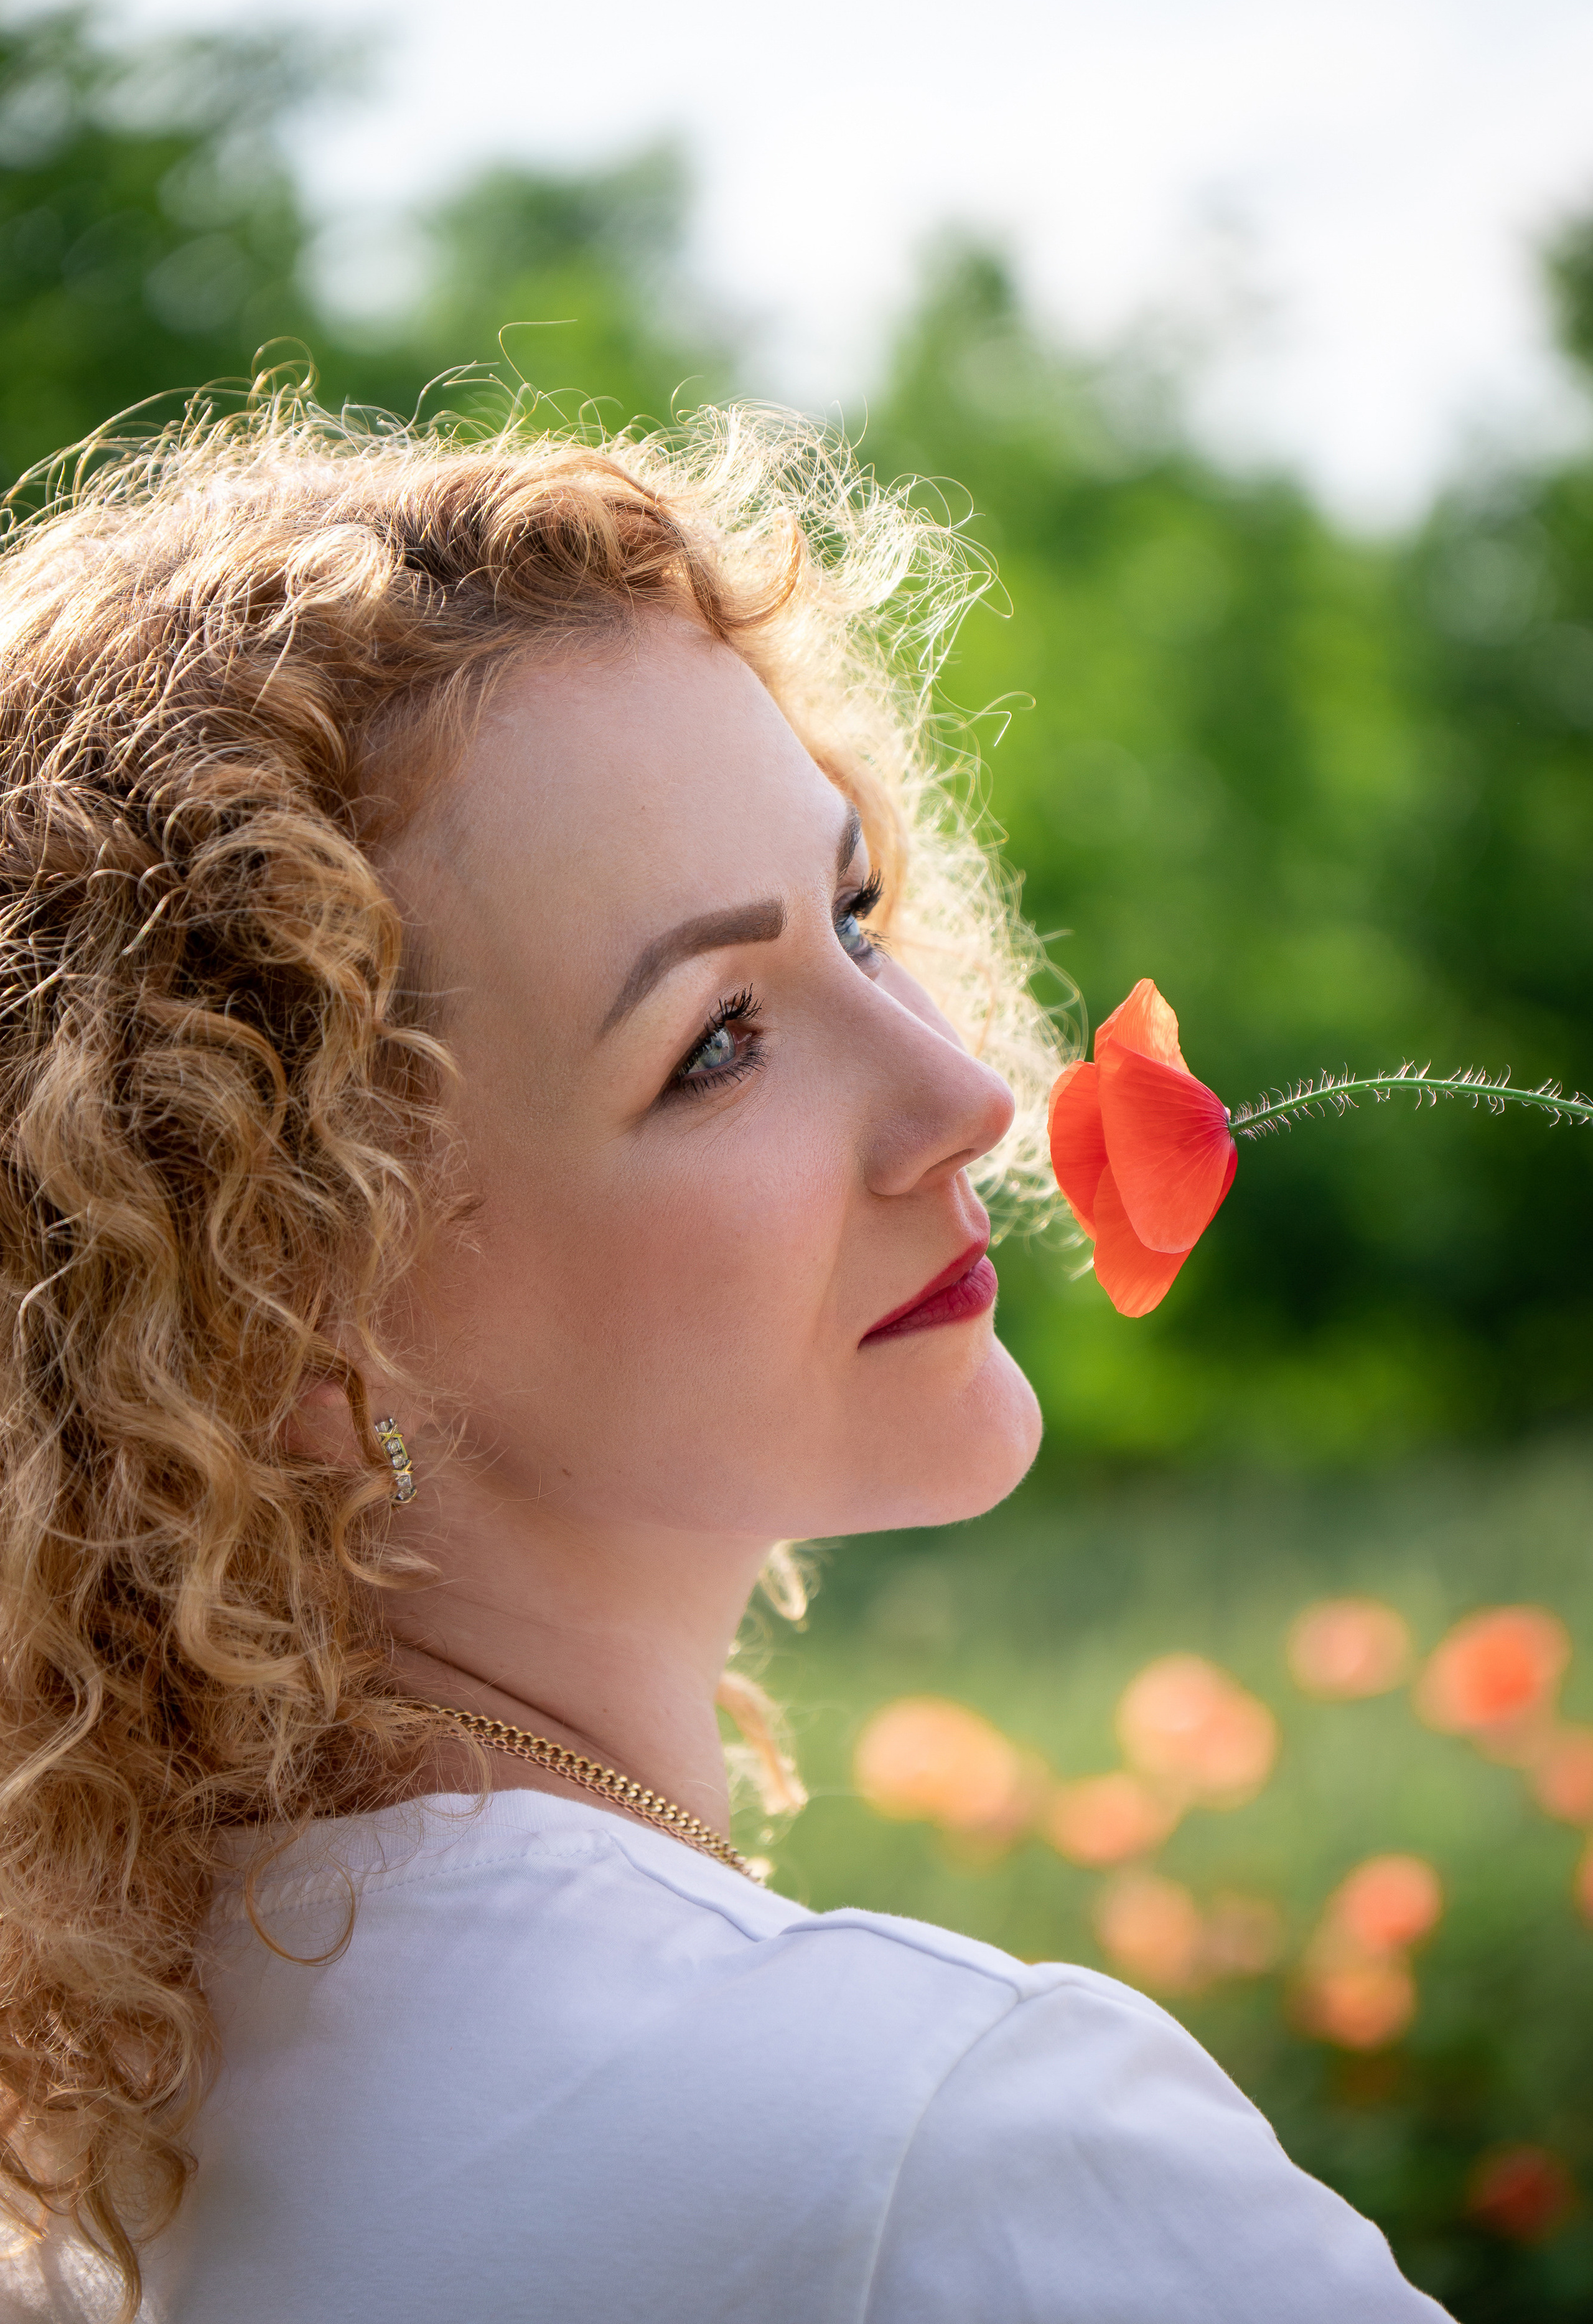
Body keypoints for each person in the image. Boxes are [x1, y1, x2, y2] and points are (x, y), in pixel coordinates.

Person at [0, 395, 1448, 2323]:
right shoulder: (943, 2155)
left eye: (856, 915)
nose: (963, 1097)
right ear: (299, 1326)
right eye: (715, 1043)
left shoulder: (118, 2168)